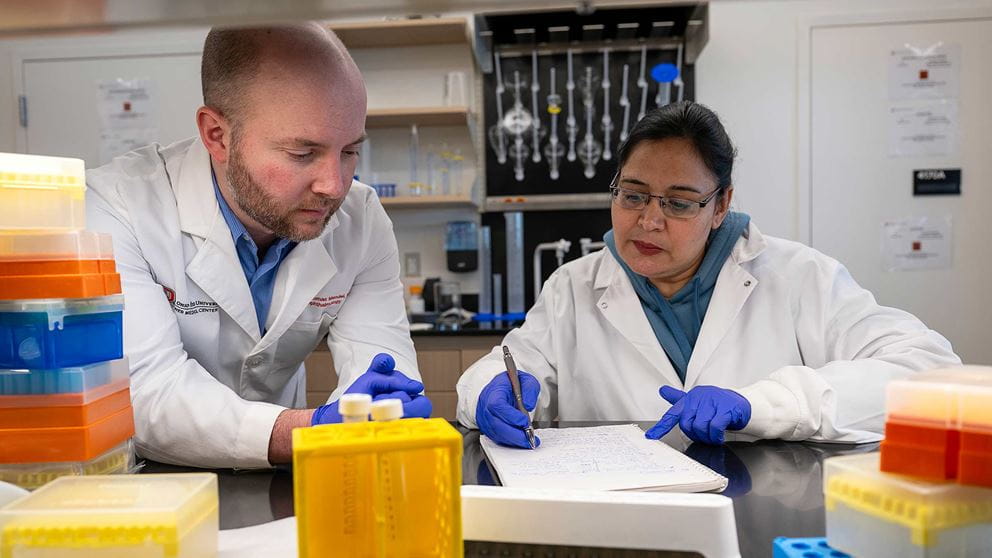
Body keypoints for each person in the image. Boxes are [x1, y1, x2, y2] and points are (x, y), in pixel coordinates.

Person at [457, 101, 960, 448]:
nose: (649, 221)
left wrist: (760, 404)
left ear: (721, 205)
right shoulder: (573, 287)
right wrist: (488, 391)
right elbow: (510, 367)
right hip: (619, 513)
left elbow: (930, 374)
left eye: (678, 202)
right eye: (632, 195)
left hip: (763, 514)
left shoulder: (798, 276)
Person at [86, 23, 431, 468]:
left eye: (349, 152)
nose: (334, 185)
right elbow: (149, 393)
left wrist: (384, 414)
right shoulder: (117, 208)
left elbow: (381, 371)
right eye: (302, 154)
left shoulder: (359, 219)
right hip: (157, 487)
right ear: (217, 135)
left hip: (284, 481)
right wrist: (311, 430)